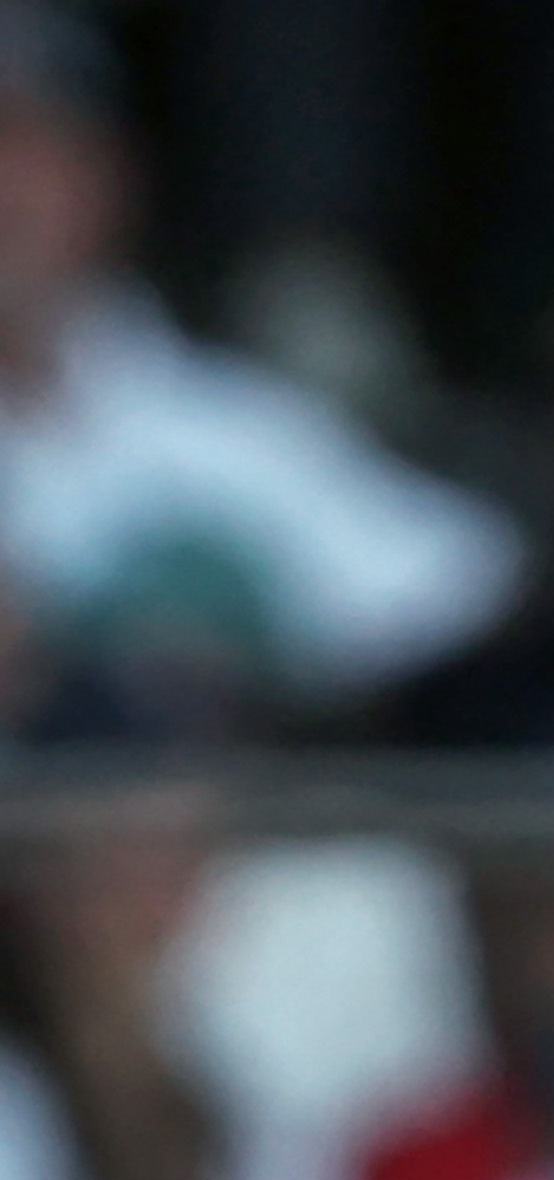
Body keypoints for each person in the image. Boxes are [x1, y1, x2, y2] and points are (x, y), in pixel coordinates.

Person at [0, 3, 517, 719]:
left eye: (21, 148)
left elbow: (457, 598)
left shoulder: (231, 433)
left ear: (104, 178)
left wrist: (235, 665)